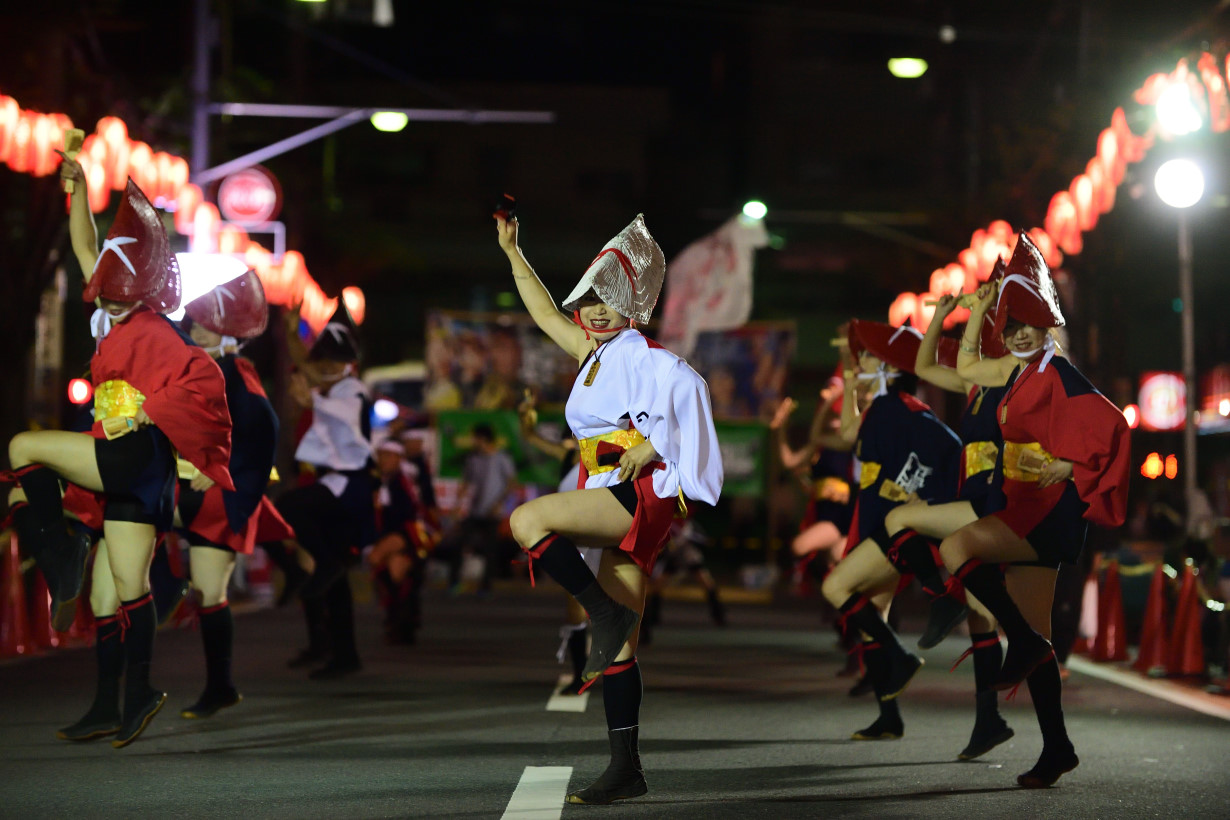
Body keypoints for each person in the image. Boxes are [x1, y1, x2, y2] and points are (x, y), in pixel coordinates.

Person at [496, 212, 723, 804]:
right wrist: (513, 249)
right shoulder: (590, 352)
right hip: (603, 486)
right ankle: (627, 769)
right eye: (591, 297)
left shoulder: (646, 357)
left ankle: (601, 613)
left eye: (610, 299)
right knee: (622, 654)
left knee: (529, 519)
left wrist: (653, 442)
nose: (596, 310)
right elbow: (542, 311)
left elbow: (691, 399)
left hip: (636, 492)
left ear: (634, 306)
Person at [15, 159, 232, 747]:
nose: (102, 296)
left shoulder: (157, 329)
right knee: (120, 589)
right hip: (144, 476)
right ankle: (124, 700)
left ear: (136, 287)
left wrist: (143, 409)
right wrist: (81, 189)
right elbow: (85, 243)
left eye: (112, 290)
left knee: (21, 448)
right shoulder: (113, 311)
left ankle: (60, 553)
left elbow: (203, 381)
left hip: (131, 457)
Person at [940, 233, 1130, 788]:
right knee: (1040, 636)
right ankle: (1058, 748)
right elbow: (965, 365)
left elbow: (1113, 426)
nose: (1019, 332)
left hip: (1047, 511)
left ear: (1047, 323)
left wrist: (1070, 468)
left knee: (957, 546)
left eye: (1028, 322)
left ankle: (1020, 642)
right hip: (1024, 506)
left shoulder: (1056, 371)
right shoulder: (1021, 371)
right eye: (1011, 323)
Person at [844, 297, 1015, 759]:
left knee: (1006, 625)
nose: (964, 353)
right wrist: (940, 315)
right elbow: (923, 362)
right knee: (984, 615)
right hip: (975, 501)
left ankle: (940, 599)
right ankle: (989, 720)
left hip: (994, 502)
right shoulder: (973, 384)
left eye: (974, 345)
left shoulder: (1008, 383)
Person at [818, 319, 961, 743]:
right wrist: (847, 377)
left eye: (868, 360)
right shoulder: (898, 408)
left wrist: (916, 492)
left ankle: (901, 659)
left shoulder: (895, 409)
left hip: (885, 527)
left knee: (838, 590)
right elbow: (849, 432)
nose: (860, 364)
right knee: (871, 617)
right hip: (877, 519)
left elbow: (948, 448)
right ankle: (889, 716)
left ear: (888, 369)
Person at [175, 270, 294, 718]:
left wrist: (223, 473)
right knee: (204, 591)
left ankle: (220, 685)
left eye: (206, 326)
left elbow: (263, 432)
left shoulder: (235, 372)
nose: (195, 331)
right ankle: (219, 685)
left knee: (210, 592)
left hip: (219, 497)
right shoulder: (208, 367)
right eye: (196, 324)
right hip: (193, 491)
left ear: (228, 334)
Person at [276, 302, 375, 680]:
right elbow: (309, 367)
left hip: (349, 488)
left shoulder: (352, 392)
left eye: (334, 362)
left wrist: (311, 399)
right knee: (335, 583)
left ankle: (322, 569)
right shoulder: (332, 385)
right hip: (334, 484)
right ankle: (344, 654)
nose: (326, 368)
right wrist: (289, 334)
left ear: (348, 362)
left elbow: (341, 412)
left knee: (290, 507)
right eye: (324, 363)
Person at [517, 390, 599, 693]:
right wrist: (526, 412)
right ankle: (582, 674)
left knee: (611, 605)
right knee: (576, 608)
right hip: (572, 542)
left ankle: (617, 671)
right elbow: (529, 435)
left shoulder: (607, 457)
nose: (570, 442)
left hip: (602, 539)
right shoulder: (567, 458)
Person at [368, 439, 436, 645]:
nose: (383, 460)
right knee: (393, 573)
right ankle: (401, 623)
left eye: (388, 455)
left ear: (398, 458)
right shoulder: (382, 480)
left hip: (408, 534)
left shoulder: (403, 481)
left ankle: (402, 622)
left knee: (379, 561)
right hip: (394, 534)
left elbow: (410, 512)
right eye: (381, 455)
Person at [436, 423, 517, 595]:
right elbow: (466, 483)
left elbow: (511, 483)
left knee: (490, 550)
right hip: (476, 510)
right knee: (458, 543)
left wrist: (499, 503)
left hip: (493, 512)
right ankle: (454, 582)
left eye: (475, 439)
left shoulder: (502, 458)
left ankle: (486, 587)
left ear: (483, 439)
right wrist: (457, 506)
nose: (473, 442)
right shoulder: (473, 459)